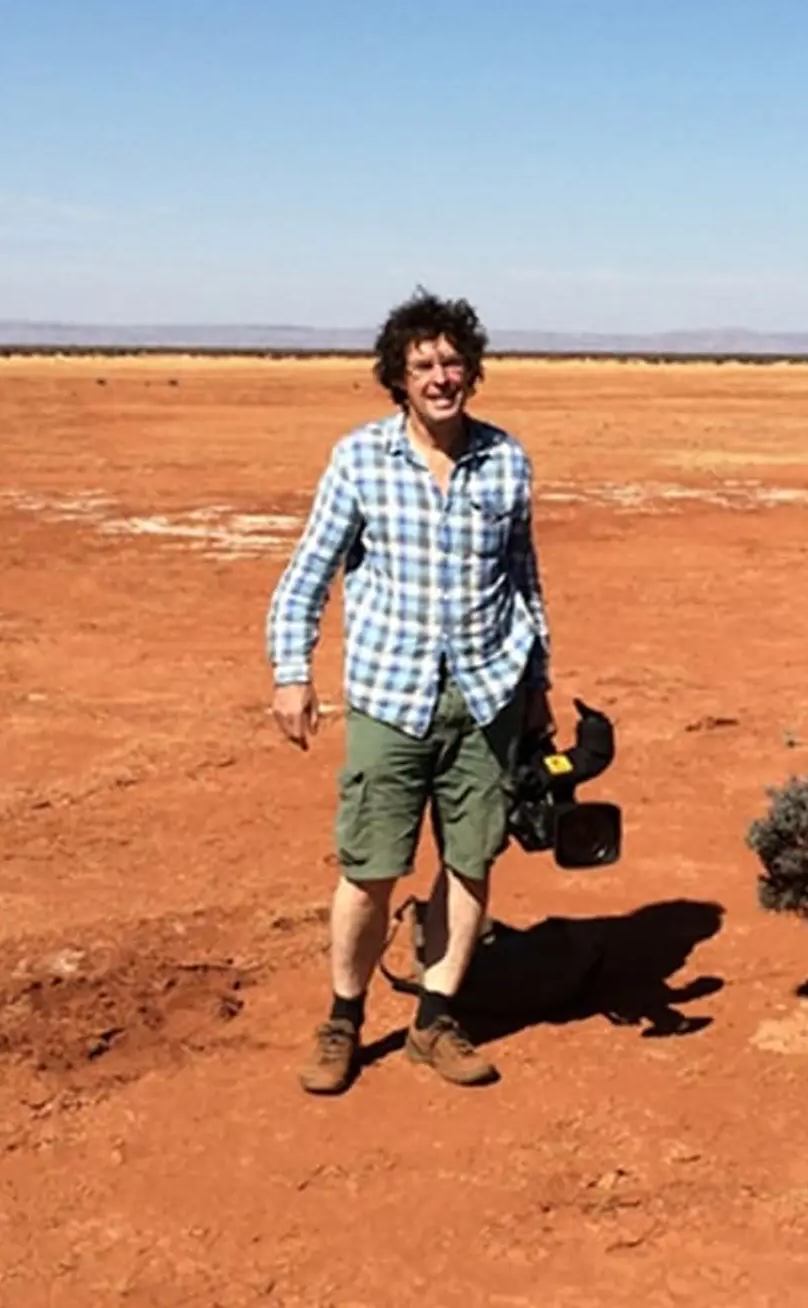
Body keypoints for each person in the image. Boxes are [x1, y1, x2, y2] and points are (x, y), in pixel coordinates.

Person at [264, 288, 554, 1094]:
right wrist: (293, 673)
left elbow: (524, 581)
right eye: (423, 364)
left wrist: (538, 685)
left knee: (471, 862)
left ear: (474, 372)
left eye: (454, 362)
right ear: (397, 375)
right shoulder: (360, 459)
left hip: (488, 694)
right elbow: (306, 577)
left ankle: (435, 1019)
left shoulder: (506, 459)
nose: (440, 377)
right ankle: (343, 1019)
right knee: (369, 868)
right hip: (391, 699)